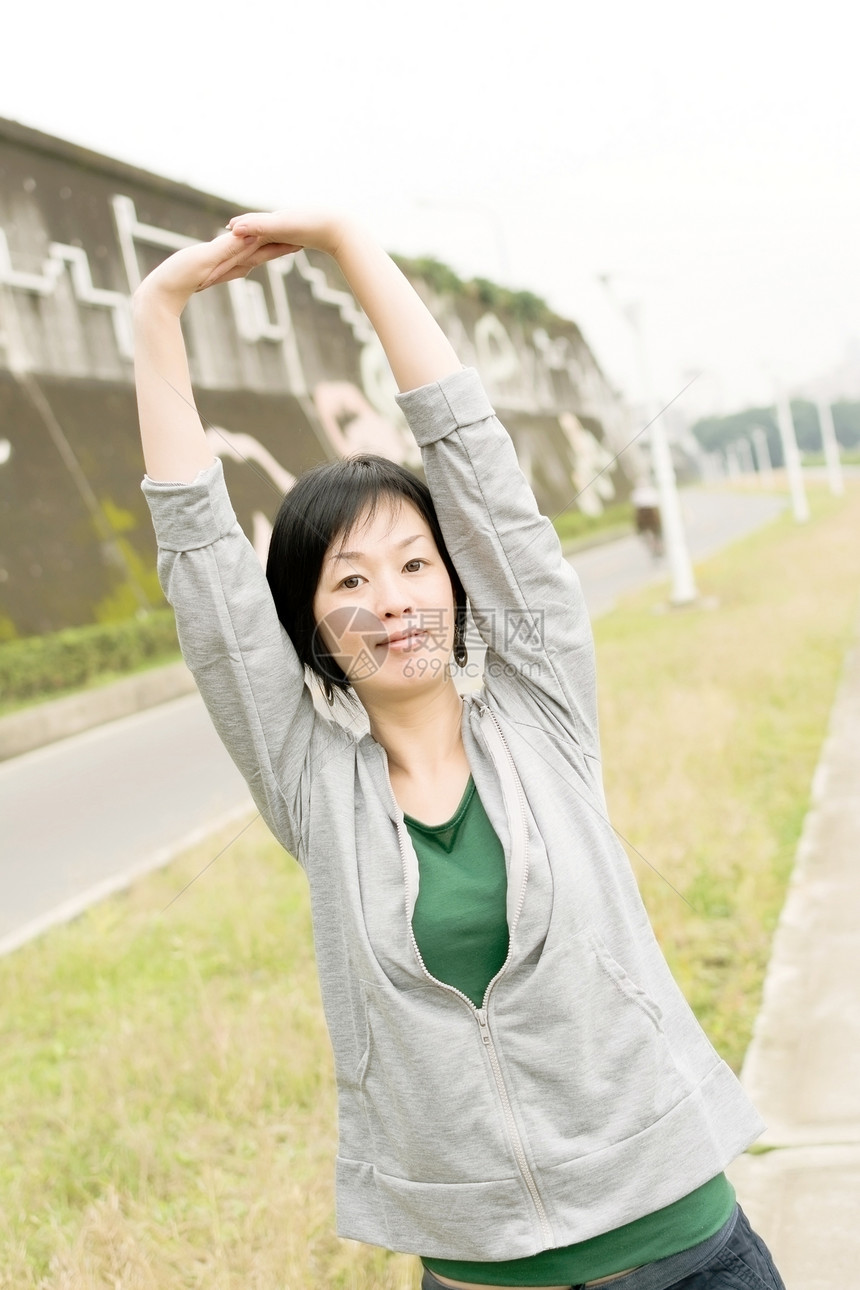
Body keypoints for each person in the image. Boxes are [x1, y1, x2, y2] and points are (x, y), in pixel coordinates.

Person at [133, 213, 785, 1290]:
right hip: (483, 1275)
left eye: (413, 566)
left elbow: (475, 464)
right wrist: (158, 313)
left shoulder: (541, 712)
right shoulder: (312, 786)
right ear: (307, 629)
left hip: (685, 1249)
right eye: (347, 581)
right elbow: (204, 568)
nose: (389, 603)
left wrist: (348, 244)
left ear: (458, 585)